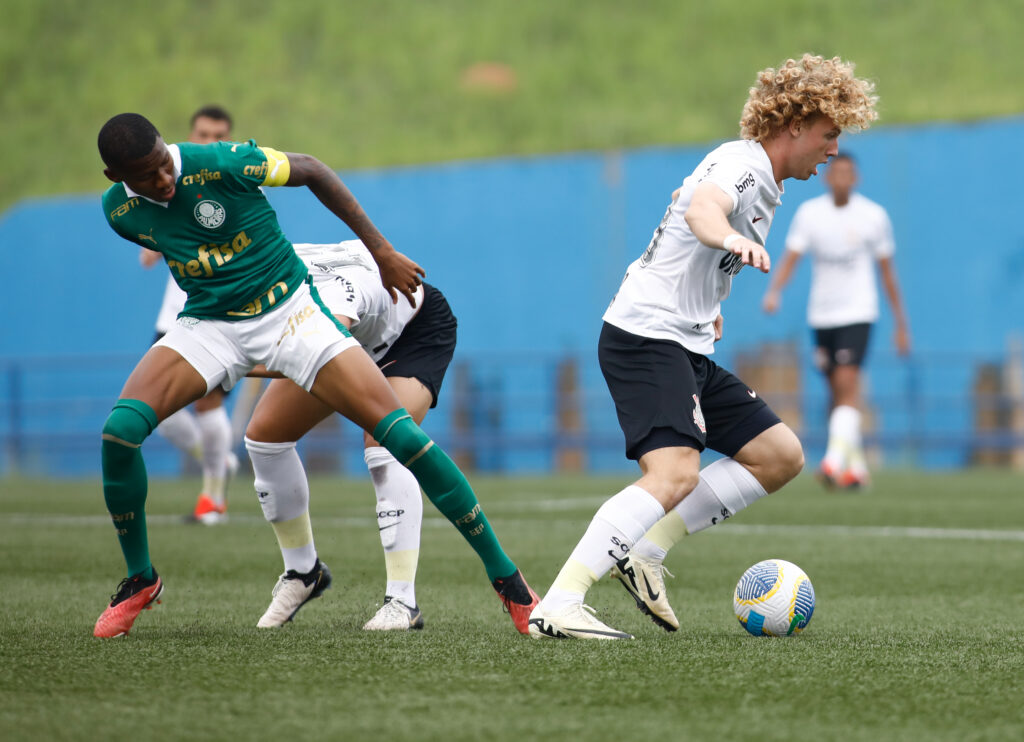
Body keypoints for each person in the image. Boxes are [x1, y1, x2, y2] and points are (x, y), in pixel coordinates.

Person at [92, 113, 538, 638]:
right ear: (116, 176)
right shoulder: (120, 213)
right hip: (212, 322)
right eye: (148, 176)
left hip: (298, 314)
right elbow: (186, 249)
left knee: (395, 438)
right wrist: (225, 359)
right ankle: (145, 579)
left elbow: (312, 169)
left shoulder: (220, 163)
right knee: (122, 432)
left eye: (165, 164)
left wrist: (382, 250)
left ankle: (509, 582)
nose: (164, 180)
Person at [528, 54, 879, 640]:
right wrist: (730, 238)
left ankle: (646, 551)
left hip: (682, 344)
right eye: (829, 134)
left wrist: (711, 303)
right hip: (646, 337)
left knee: (779, 455)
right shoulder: (741, 164)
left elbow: (690, 223)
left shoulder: (765, 182)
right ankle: (560, 602)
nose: (833, 150)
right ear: (796, 125)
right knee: (674, 474)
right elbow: (702, 210)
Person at [247, 240, 456, 631]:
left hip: (411, 331)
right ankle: (302, 573)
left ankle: (402, 602)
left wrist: (233, 364)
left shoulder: (326, 292)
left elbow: (321, 350)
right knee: (265, 436)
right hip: (349, 334)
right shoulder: (257, 272)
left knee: (384, 443)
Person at [762, 154, 909, 489]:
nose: (842, 178)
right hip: (822, 316)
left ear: (855, 178)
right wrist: (775, 291)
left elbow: (888, 273)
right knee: (836, 394)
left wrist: (901, 324)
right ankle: (856, 469)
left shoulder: (873, 216)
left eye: (848, 173)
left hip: (857, 313)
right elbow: (791, 257)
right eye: (836, 172)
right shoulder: (810, 214)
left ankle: (831, 463)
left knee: (846, 384)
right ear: (827, 177)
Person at [138, 105, 238, 524]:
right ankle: (220, 463)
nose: (209, 142)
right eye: (202, 134)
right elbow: (147, 255)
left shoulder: (233, 183)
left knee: (209, 408)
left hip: (215, 317)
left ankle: (212, 499)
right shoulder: (167, 185)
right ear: (189, 135)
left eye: (219, 136)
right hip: (172, 321)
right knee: (162, 418)